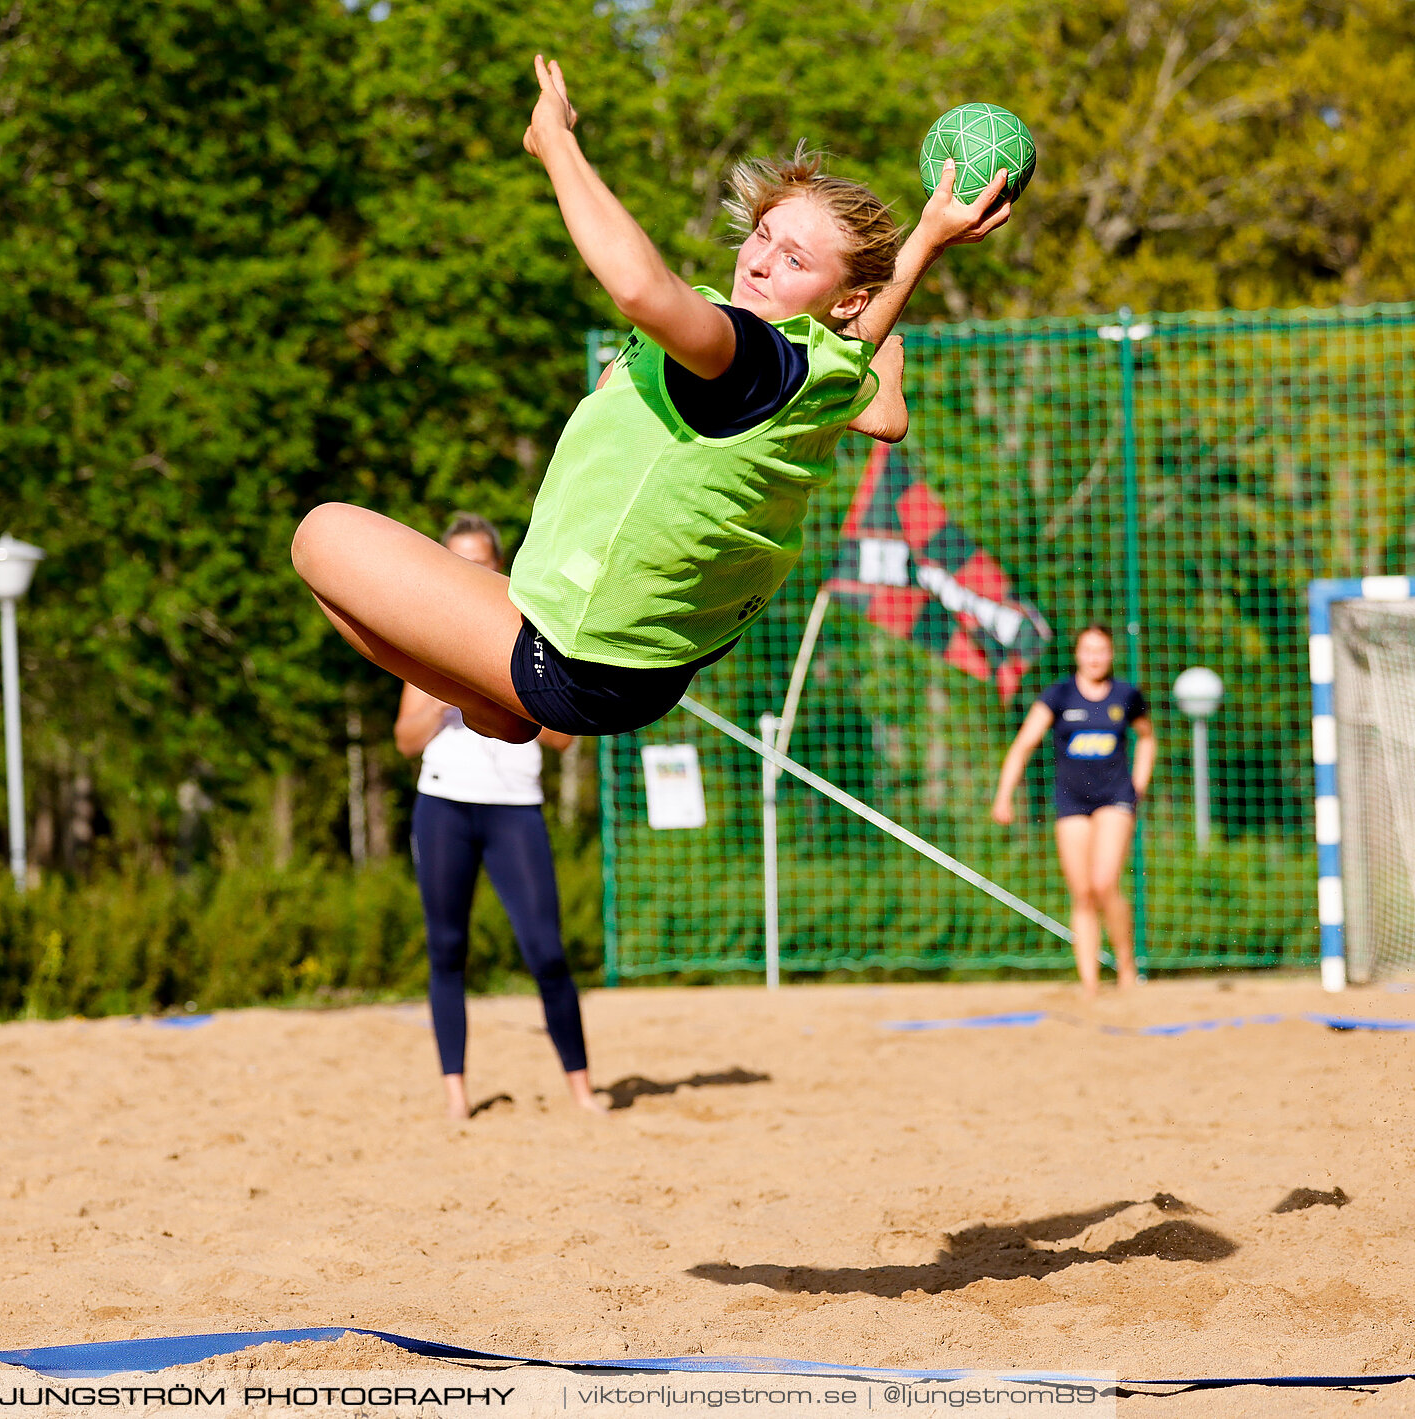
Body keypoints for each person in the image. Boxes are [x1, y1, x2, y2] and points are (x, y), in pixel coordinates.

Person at [292, 54, 1011, 744]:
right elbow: (863, 357)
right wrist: (928, 237)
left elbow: (637, 288)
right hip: (647, 669)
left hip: (575, 657)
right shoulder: (819, 361)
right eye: (763, 235)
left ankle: (496, 697)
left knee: (320, 536)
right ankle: (498, 699)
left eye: (794, 260)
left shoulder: (747, 358)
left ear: (842, 294)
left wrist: (555, 147)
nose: (760, 260)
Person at [395, 514, 602, 1121]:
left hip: (515, 809)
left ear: (499, 566)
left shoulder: (531, 635)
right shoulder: (424, 637)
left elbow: (564, 741)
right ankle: (456, 1095)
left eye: (479, 562)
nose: (468, 571)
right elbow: (406, 739)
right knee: (447, 948)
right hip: (445, 805)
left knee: (546, 952)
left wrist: (517, 690)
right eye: (456, 561)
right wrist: (447, 687)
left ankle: (583, 1091)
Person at [990, 626, 1156, 997]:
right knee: (1082, 891)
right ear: (1077, 654)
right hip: (1072, 802)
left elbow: (1147, 737)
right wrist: (1003, 796)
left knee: (1103, 883)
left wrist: (1138, 785)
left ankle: (1126, 967)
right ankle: (1090, 983)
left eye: (1102, 650)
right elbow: (1023, 745)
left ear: (1111, 655)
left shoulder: (1125, 695)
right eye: (1088, 650)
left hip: (1115, 799)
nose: (1095, 657)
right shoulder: (1058, 695)